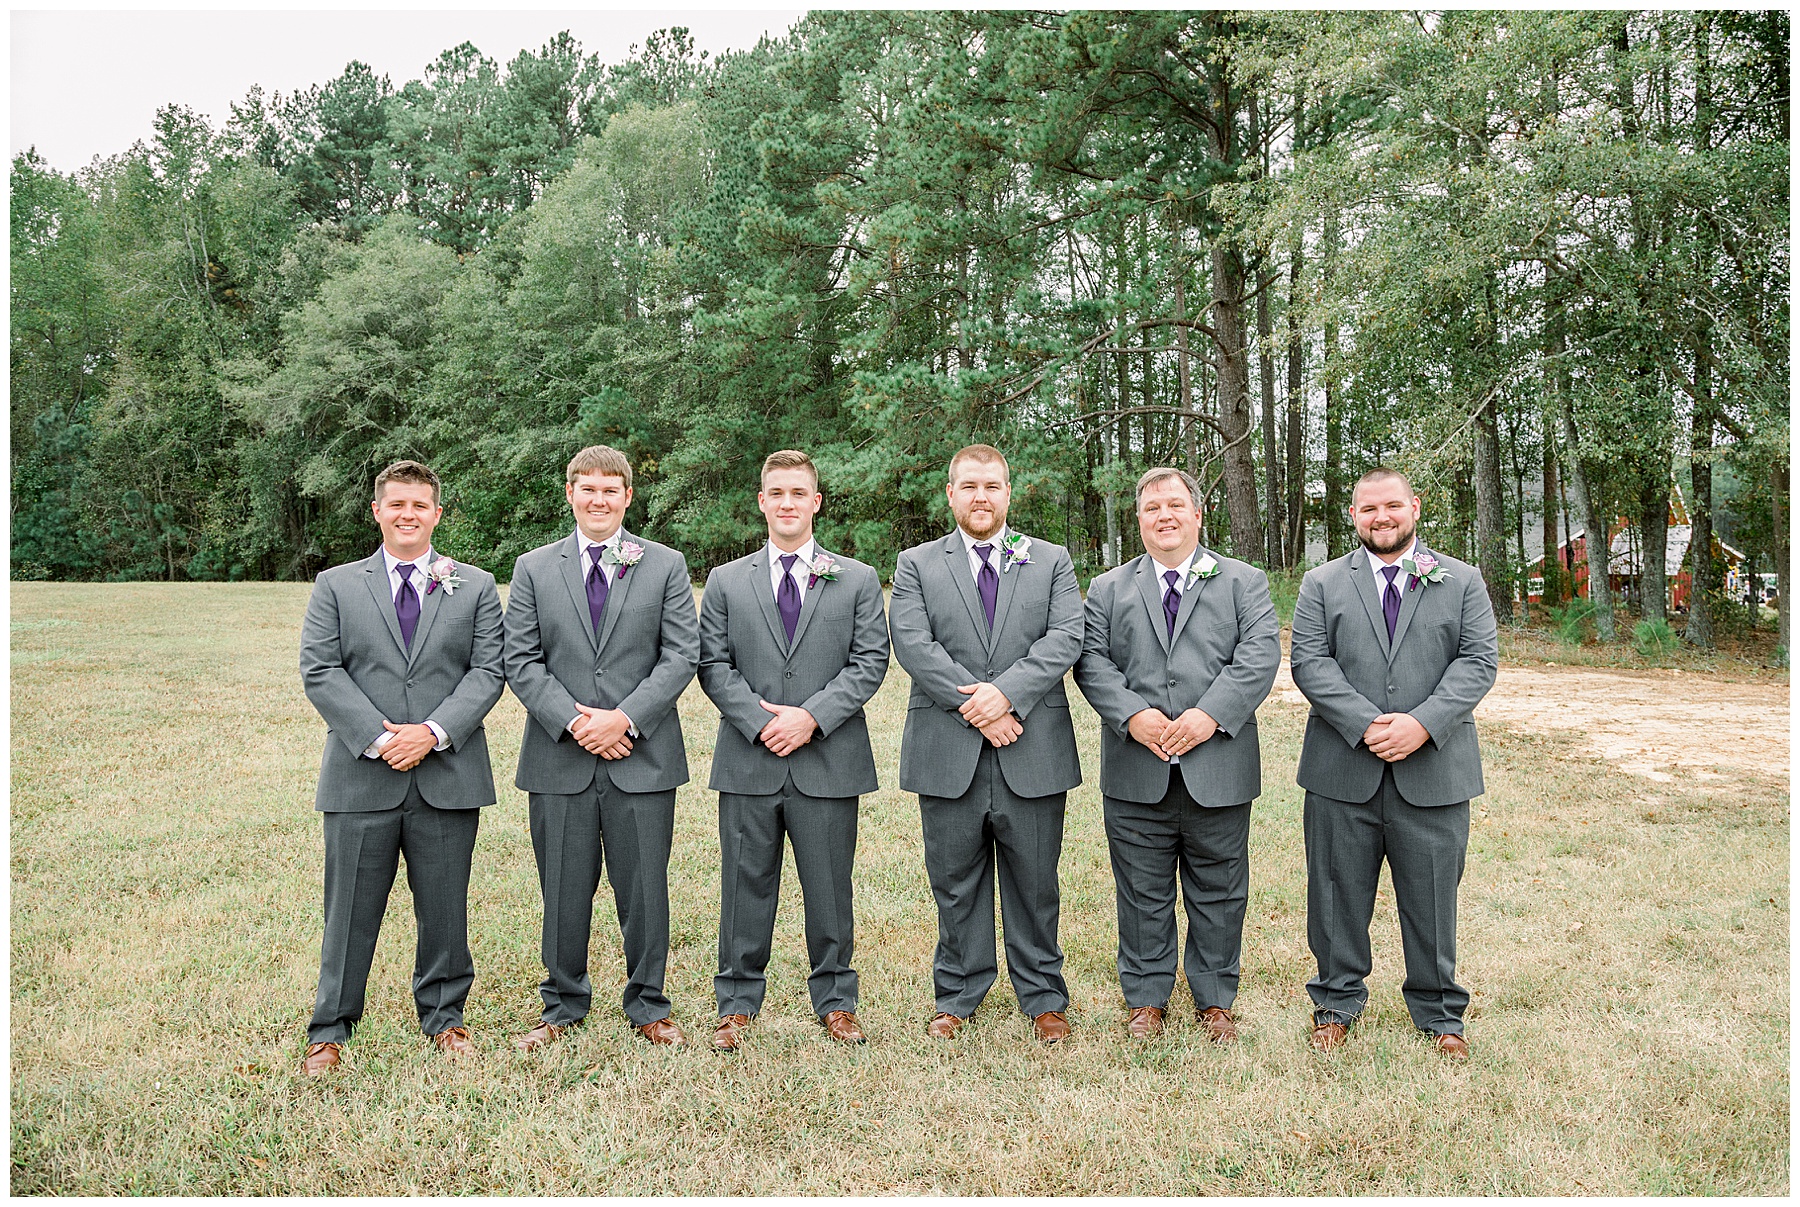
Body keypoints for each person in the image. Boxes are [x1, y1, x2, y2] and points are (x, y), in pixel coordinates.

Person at [299, 460, 505, 1074]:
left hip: (446, 774)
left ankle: (446, 1019)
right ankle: (330, 1030)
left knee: (445, 907)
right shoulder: (337, 585)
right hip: (362, 775)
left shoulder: (473, 585)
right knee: (349, 911)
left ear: (437, 514)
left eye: (420, 505)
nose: (408, 515)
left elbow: (487, 671)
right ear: (377, 511)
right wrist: (379, 738)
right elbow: (320, 669)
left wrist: (432, 733)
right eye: (397, 505)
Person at [1289, 467, 1498, 1059]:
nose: (1381, 518)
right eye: (1368, 509)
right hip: (1341, 768)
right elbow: (1310, 662)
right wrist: (1367, 724)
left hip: (1433, 769)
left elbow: (1477, 662)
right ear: (1352, 516)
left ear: (1415, 507)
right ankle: (1335, 1001)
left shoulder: (1461, 580)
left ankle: (1438, 1014)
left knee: (1432, 895)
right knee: (1333, 893)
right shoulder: (1322, 583)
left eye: (1392, 506)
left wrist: (1421, 725)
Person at [1073, 467, 1280, 1042]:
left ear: (1197, 513)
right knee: (1141, 889)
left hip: (1218, 765)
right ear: (1139, 520)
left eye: (1175, 505)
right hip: (1136, 766)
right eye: (1152, 508)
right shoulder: (1109, 589)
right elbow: (1092, 661)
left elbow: (1258, 656)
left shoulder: (1243, 582)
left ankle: (1214, 999)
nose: (1164, 515)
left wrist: (1208, 716)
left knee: (1219, 887)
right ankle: (1146, 998)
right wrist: (1133, 716)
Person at [502, 445, 699, 1050]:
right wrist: (574, 721)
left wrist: (625, 719)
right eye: (588, 489)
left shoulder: (664, 566)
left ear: (628, 497)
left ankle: (649, 1004)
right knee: (562, 885)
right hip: (559, 757)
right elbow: (521, 659)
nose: (599, 500)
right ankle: (562, 1003)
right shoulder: (534, 568)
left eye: (611, 491)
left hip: (642, 756)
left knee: (644, 887)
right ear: (570, 494)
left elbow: (680, 655)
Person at [889, 444, 1084, 1044]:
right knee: (955, 879)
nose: (981, 497)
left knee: (1034, 880)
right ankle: (958, 994)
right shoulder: (917, 564)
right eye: (969, 486)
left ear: (1009, 492)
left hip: (1032, 743)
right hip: (948, 747)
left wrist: (1007, 696)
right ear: (950, 494)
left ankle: (1044, 996)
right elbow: (913, 642)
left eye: (992, 486)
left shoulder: (1050, 561)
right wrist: (977, 707)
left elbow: (1066, 635)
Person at [697, 450, 890, 1052]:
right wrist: (760, 722)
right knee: (743, 884)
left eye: (797, 493)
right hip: (749, 759)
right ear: (762, 501)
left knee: (830, 886)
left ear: (816, 501)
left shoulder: (856, 579)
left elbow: (869, 663)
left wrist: (811, 717)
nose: (786, 503)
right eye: (775, 492)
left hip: (827, 760)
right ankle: (736, 1002)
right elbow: (713, 665)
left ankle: (835, 1000)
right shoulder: (728, 581)